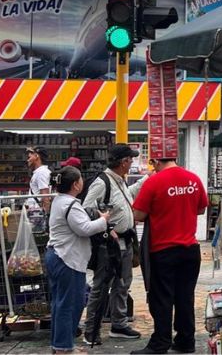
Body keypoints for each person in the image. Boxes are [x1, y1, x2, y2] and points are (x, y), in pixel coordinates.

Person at [130, 158, 207, 355]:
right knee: (185, 296)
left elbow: (138, 215)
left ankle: (160, 343)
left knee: (162, 298)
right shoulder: (193, 179)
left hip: (163, 249)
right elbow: (201, 209)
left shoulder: (154, 182)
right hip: (191, 250)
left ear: (156, 161)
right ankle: (185, 340)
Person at [82, 145, 148, 344]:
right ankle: (91, 331)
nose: (132, 163)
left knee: (122, 284)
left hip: (125, 242)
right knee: (101, 286)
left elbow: (127, 198)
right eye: (130, 159)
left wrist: (146, 180)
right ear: (123, 162)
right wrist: (105, 226)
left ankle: (118, 324)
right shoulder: (103, 182)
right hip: (109, 245)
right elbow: (86, 207)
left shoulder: (119, 181)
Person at [45, 166, 110, 354]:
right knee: (70, 305)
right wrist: (104, 219)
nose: (83, 182)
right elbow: (85, 229)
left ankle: (58, 345)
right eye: (81, 179)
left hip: (57, 256)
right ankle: (64, 348)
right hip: (67, 259)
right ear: (75, 184)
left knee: (60, 303)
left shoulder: (60, 201)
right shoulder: (71, 204)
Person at [26, 146, 52, 214]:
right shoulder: (39, 172)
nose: (28, 160)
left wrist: (46, 215)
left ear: (36, 156)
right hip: (35, 212)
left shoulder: (41, 173)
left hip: (37, 213)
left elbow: (45, 197)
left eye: (29, 157)